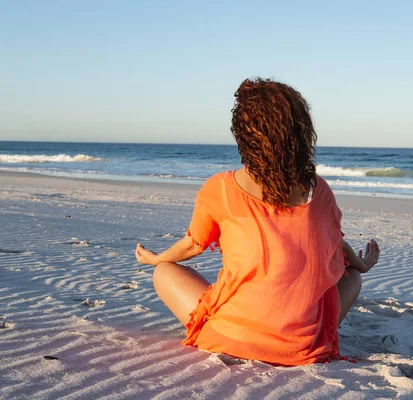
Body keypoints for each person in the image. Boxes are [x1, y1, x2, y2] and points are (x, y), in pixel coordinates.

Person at [135, 78, 380, 366]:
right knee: (352, 277)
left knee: (164, 271)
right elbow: (335, 244)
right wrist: (361, 264)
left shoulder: (221, 188)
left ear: (244, 135)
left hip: (229, 339)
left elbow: (193, 244)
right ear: (300, 133)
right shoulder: (319, 192)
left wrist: (156, 258)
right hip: (298, 351)